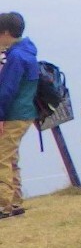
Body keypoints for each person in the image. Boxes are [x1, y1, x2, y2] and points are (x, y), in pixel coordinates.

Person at [0, 12, 39, 219]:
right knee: (11, 157)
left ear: (6, 32)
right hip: (25, 112)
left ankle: (4, 204)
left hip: (14, 113)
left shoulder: (15, 56)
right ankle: (15, 201)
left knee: (2, 158)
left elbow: (6, 90)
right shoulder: (28, 52)